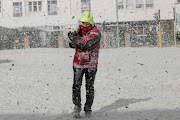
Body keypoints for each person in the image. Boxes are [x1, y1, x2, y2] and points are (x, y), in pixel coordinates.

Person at [68, 11, 101, 118]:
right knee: (76, 86)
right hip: (78, 63)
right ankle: (77, 107)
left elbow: (83, 44)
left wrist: (71, 36)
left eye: (86, 23)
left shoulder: (95, 33)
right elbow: (73, 44)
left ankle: (88, 110)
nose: (84, 25)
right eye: (83, 22)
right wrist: (73, 35)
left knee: (89, 87)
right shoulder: (79, 30)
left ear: (91, 23)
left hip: (91, 64)